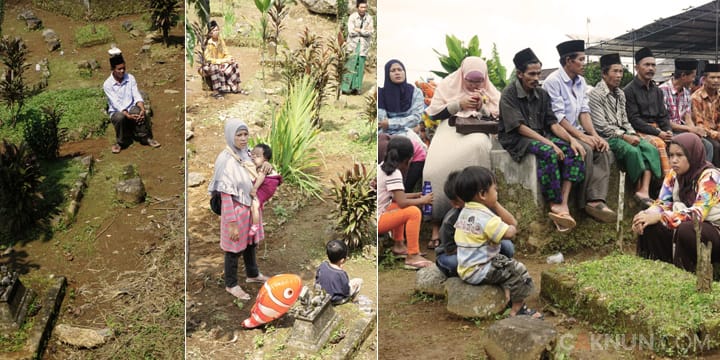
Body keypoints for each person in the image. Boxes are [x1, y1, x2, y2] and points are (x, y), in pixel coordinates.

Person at [498, 48, 586, 232]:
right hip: (517, 139)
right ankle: (554, 202)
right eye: (532, 74)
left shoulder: (542, 94)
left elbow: (552, 123)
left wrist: (572, 140)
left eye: (538, 73)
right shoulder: (509, 94)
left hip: (540, 135)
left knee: (573, 151)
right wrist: (550, 143)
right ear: (520, 74)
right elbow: (520, 127)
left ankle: (563, 203)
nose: (536, 77)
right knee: (549, 153)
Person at [423, 57, 500, 246]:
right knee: (432, 170)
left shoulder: (489, 90)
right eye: (470, 80)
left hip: (477, 130)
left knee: (478, 147)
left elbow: (498, 114)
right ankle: (435, 223)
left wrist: (481, 106)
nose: (474, 85)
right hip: (449, 129)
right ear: (462, 75)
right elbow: (433, 113)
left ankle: (479, 216)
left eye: (478, 81)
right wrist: (458, 104)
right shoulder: (449, 84)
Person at [454, 166, 542, 319]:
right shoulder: (486, 218)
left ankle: (507, 295)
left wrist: (492, 202)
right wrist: (511, 225)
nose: (497, 192)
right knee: (518, 270)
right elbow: (510, 231)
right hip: (480, 269)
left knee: (505, 262)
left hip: (466, 267)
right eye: (495, 189)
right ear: (482, 194)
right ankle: (518, 310)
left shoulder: (465, 212)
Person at [543, 40, 615, 223]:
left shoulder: (581, 82)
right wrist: (582, 137)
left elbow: (584, 111)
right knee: (586, 149)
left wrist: (595, 136)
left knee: (603, 148)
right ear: (568, 61)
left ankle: (596, 199)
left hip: (578, 130)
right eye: (581, 60)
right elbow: (558, 118)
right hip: (558, 131)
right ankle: (584, 203)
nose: (584, 63)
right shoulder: (553, 81)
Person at [632, 133, 720, 273]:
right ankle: (654, 270)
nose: (673, 160)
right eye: (671, 155)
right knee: (649, 224)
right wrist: (646, 215)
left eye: (679, 155)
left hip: (714, 229)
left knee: (686, 229)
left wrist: (662, 217)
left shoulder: (710, 177)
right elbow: (663, 203)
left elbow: (697, 214)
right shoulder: (674, 174)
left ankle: (684, 273)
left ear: (693, 155)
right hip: (687, 222)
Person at [208, 118, 272, 300]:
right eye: (239, 135)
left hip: (250, 208)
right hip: (235, 211)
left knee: (251, 243)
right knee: (233, 249)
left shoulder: (247, 152)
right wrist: (232, 224)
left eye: (245, 134)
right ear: (230, 136)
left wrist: (267, 165)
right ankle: (231, 284)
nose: (243, 139)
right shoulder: (225, 161)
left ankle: (252, 274)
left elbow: (259, 167)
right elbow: (225, 197)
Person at [589, 53, 662, 209]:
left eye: (621, 72)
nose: (619, 75)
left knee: (649, 148)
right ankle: (636, 189)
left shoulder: (620, 93)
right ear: (604, 73)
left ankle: (644, 191)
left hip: (623, 132)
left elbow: (625, 120)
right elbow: (601, 126)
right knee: (633, 152)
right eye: (615, 71)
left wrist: (632, 133)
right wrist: (625, 137)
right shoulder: (595, 95)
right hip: (607, 136)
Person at [436, 170, 515, 277]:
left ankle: (485, 267)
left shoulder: (484, 209)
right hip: (456, 253)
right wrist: (477, 248)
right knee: (454, 263)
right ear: (455, 203)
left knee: (507, 246)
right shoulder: (450, 220)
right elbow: (450, 250)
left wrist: (495, 204)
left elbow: (512, 223)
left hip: (482, 249)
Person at [377, 136, 434, 270]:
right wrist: (422, 201)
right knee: (413, 212)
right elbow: (403, 202)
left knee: (397, 206)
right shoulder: (394, 173)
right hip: (379, 220)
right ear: (408, 159)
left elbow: (397, 197)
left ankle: (399, 245)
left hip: (379, 214)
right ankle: (412, 255)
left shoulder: (383, 167)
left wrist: (416, 195)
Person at [624, 47, 672, 177]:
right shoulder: (628, 91)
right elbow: (634, 120)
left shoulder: (657, 91)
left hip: (658, 130)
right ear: (636, 67)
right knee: (660, 144)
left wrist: (668, 131)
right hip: (639, 131)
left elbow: (663, 116)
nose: (651, 68)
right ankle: (665, 184)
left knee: (680, 143)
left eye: (653, 65)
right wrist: (659, 133)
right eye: (647, 65)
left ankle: (681, 184)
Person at [103, 47, 160, 154]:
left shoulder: (130, 78)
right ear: (113, 69)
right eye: (119, 69)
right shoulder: (107, 84)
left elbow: (136, 95)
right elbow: (116, 103)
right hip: (117, 111)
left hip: (131, 107)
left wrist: (142, 109)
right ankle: (121, 142)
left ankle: (144, 137)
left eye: (123, 68)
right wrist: (127, 114)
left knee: (138, 111)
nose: (122, 71)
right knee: (120, 117)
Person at [658, 58, 714, 163]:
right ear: (683, 76)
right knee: (689, 145)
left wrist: (695, 131)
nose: (694, 79)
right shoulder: (662, 91)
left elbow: (687, 116)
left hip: (682, 129)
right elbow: (665, 121)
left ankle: (702, 174)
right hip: (668, 131)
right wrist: (690, 130)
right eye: (693, 76)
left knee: (708, 145)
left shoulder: (686, 92)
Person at [378, 59, 425, 136]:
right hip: (386, 136)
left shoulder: (416, 92)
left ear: (404, 72)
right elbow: (382, 122)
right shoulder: (381, 93)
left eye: (400, 70)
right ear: (387, 74)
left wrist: (390, 123)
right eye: (393, 70)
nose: (397, 73)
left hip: (410, 135)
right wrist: (409, 126)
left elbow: (416, 118)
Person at [203, 20, 246, 99]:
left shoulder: (220, 40)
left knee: (234, 63)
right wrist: (222, 61)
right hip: (210, 65)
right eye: (214, 30)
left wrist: (229, 59)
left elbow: (226, 52)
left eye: (217, 30)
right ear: (210, 33)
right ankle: (216, 91)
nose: (217, 32)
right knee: (214, 67)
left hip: (222, 63)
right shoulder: (208, 43)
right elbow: (208, 59)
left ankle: (236, 87)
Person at [246, 143, 283, 237]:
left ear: (265, 159)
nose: (253, 157)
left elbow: (261, 177)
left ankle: (255, 225)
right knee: (255, 205)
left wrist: (254, 189)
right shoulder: (258, 163)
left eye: (258, 156)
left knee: (255, 204)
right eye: (253, 154)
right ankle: (255, 223)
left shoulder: (263, 167)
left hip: (267, 185)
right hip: (267, 186)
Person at [315, 240, 363, 305]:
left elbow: (317, 278)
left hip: (322, 294)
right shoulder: (341, 274)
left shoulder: (323, 264)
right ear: (342, 260)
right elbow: (346, 291)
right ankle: (351, 300)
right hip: (335, 300)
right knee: (359, 281)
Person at [341, 0, 373, 95]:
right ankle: (345, 88)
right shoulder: (352, 17)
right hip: (352, 45)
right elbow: (351, 32)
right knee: (350, 65)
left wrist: (358, 29)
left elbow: (370, 32)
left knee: (360, 66)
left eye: (365, 7)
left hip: (363, 46)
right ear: (357, 7)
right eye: (361, 7)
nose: (363, 9)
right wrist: (364, 30)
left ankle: (356, 88)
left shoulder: (369, 18)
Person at [692, 63, 720, 166]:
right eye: (712, 77)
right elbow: (699, 124)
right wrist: (716, 134)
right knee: (715, 146)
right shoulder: (696, 98)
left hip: (716, 132)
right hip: (702, 133)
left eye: (718, 77)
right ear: (704, 79)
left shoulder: (719, 96)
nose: (716, 80)